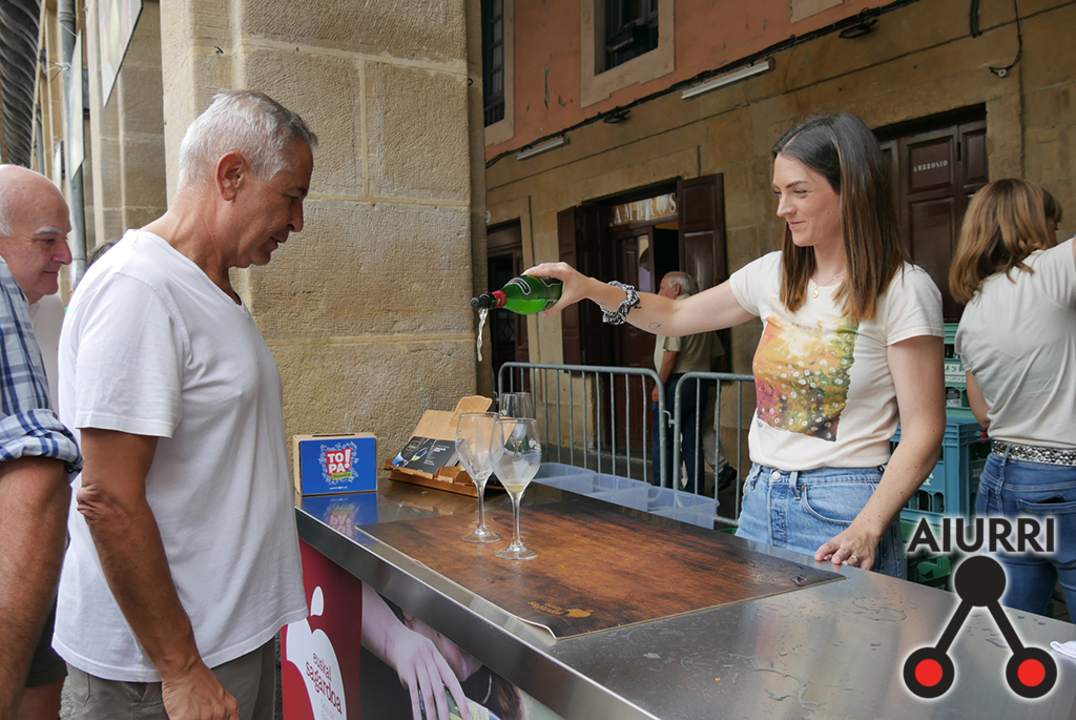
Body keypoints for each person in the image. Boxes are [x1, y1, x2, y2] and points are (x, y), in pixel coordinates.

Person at [528, 113, 946, 577]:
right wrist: (590, 288)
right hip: (760, 496)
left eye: (799, 191)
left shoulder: (903, 289)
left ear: (853, 189)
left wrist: (869, 526)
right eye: (778, 192)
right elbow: (676, 315)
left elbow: (925, 429)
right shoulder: (772, 274)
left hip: (844, 508)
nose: (783, 208)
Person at [54, 90, 317, 720]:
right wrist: (181, 669)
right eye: (291, 196)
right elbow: (107, 497)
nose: (298, 221)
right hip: (159, 674)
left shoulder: (206, 287)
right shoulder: (140, 288)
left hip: (222, 645)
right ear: (232, 175)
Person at [950, 178, 1075, 617]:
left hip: (1003, 478)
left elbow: (983, 411)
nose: (1057, 233)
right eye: (1053, 223)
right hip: (1064, 478)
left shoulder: (973, 310)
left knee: (1014, 628)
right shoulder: (1054, 270)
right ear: (1035, 223)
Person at [0, 164, 81, 720]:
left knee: (42, 691)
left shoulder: (55, 312)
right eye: (48, 240)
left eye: (65, 239)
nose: (66, 256)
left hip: (49, 553)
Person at [650, 271, 734, 494]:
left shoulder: (675, 311)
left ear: (676, 289)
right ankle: (695, 491)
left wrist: (659, 384)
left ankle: (664, 491)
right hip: (698, 381)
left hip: (677, 382)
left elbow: (671, 353)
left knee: (664, 438)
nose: (659, 293)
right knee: (692, 439)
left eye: (662, 287)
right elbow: (715, 353)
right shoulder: (701, 313)